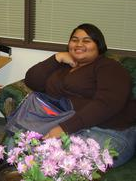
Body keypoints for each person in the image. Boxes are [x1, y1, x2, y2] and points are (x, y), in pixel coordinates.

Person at [24, 23, 136, 167]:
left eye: (87, 41)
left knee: (59, 166)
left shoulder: (109, 67)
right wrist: (56, 58)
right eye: (75, 40)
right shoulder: (64, 66)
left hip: (108, 131)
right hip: (65, 124)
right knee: (21, 148)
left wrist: (65, 128)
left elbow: (107, 103)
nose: (79, 44)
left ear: (99, 45)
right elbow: (32, 81)